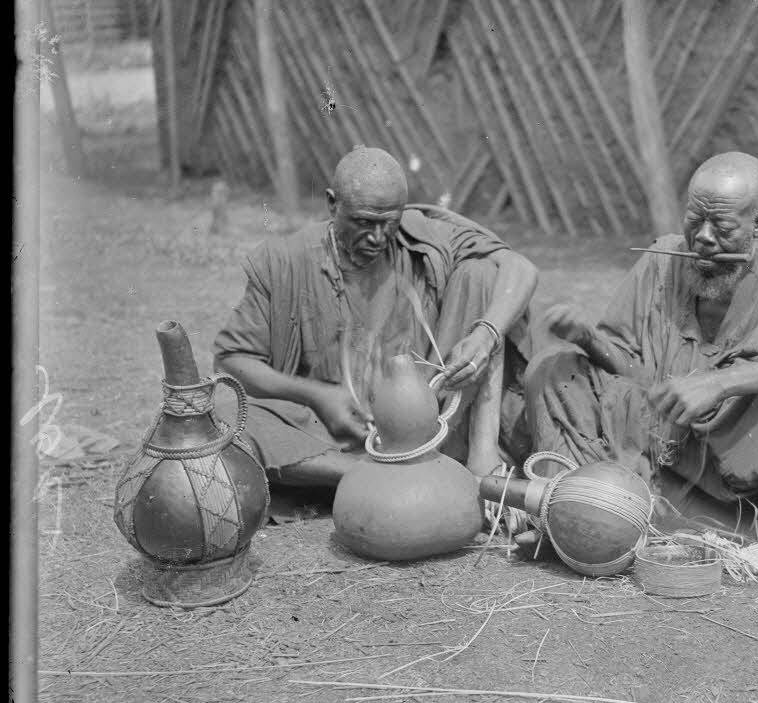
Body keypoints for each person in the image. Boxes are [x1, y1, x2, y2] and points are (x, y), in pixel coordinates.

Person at [525, 151, 758, 609]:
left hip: (736, 462)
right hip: (653, 443)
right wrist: (588, 338)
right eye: (694, 220)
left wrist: (721, 383)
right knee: (555, 368)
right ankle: (573, 511)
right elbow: (632, 370)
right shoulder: (660, 262)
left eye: (722, 227)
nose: (702, 238)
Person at [213, 145, 538, 503]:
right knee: (225, 418)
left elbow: (519, 268)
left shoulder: (420, 235)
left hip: (432, 429)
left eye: (389, 222)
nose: (379, 237)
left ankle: (426, 466)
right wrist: (316, 396)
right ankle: (375, 475)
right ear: (332, 204)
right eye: (364, 222)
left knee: (481, 272)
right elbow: (232, 360)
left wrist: (485, 333)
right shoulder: (285, 262)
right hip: (336, 434)